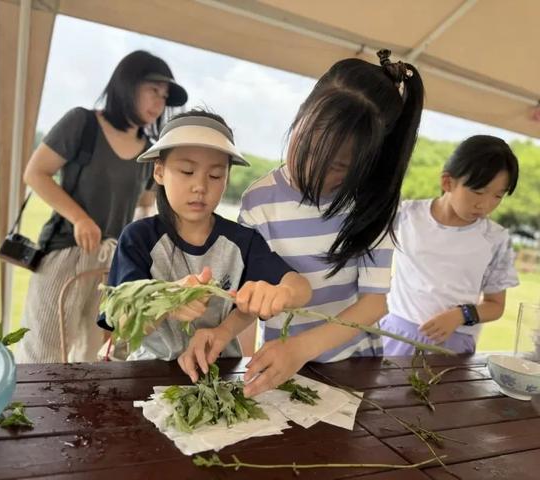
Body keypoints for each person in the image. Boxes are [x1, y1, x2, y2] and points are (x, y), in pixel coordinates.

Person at [179, 49, 425, 396]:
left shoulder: (371, 205)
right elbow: (255, 296)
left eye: (338, 166)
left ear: (366, 164)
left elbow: (374, 303)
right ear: (299, 117)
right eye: (306, 146)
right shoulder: (259, 201)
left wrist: (300, 349)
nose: (312, 170)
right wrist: (222, 333)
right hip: (280, 365)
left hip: (351, 366)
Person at [98, 109, 311, 364]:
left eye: (215, 175)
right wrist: (168, 300)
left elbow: (301, 288)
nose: (200, 186)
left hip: (218, 371)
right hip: (149, 371)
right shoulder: (138, 238)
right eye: (187, 171)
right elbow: (121, 323)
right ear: (159, 172)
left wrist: (282, 294)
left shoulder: (242, 242)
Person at [16, 50, 188, 363]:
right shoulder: (82, 123)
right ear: (127, 85)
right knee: (44, 352)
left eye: (164, 97)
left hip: (113, 266)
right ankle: (31, 413)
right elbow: (35, 173)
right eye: (153, 91)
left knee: (97, 356)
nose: (159, 103)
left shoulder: (150, 152)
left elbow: (144, 206)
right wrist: (80, 218)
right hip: (66, 252)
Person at [380, 135, 520, 355]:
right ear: (448, 182)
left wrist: (460, 315)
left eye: (498, 196)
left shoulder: (495, 239)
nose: (485, 205)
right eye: (479, 191)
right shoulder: (406, 216)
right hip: (395, 335)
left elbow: (495, 305)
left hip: (452, 346)